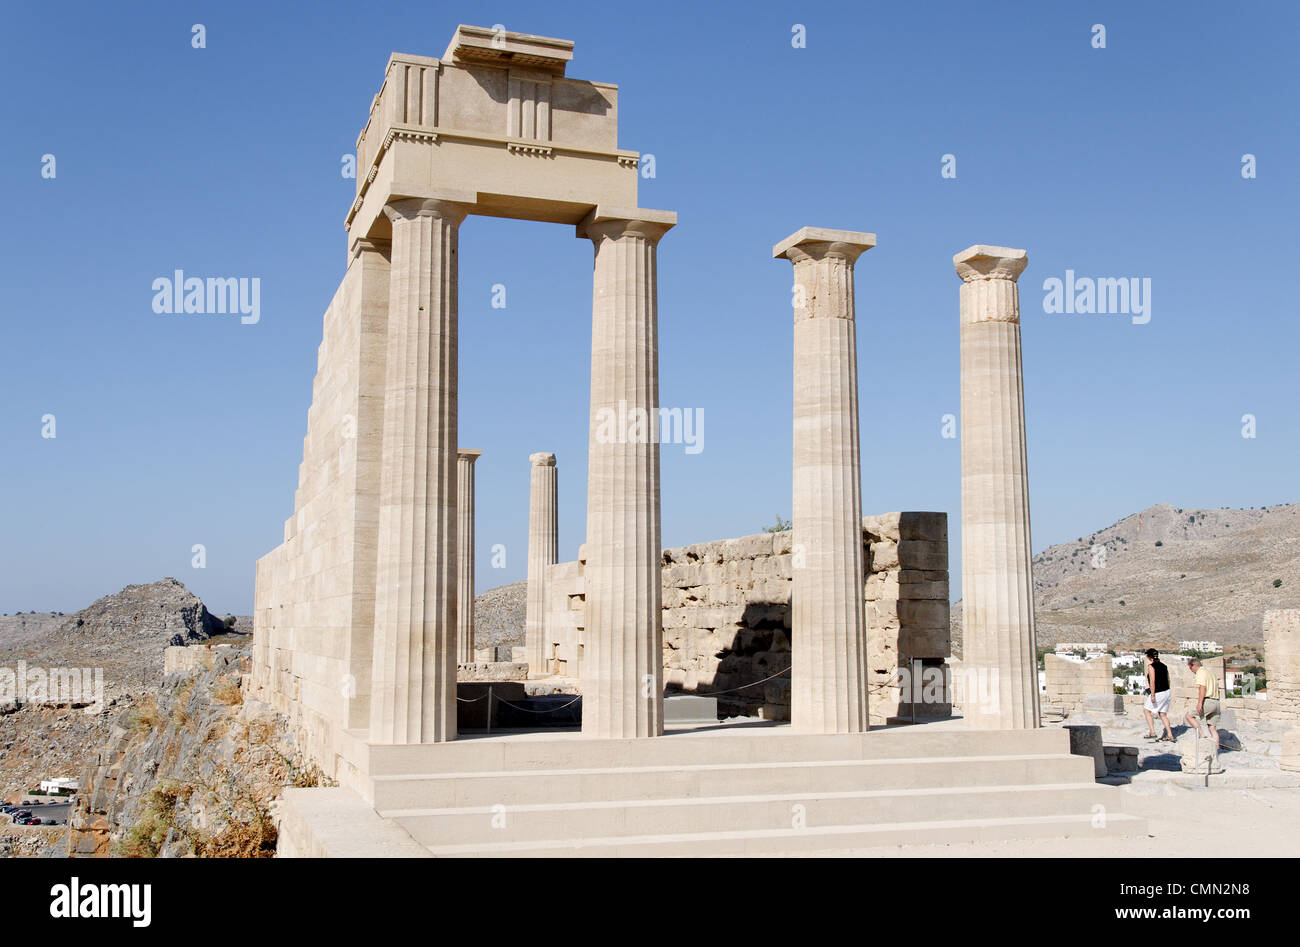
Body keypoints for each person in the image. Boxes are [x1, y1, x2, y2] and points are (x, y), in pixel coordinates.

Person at [1184, 657, 1222, 747]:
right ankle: (1215, 749)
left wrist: (1200, 703)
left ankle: (1202, 736)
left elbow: (1202, 688)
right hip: (1216, 702)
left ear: (1194, 666)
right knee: (1212, 728)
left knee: (1189, 716)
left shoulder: (1200, 672)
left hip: (1208, 701)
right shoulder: (1210, 673)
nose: (1191, 670)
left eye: (1190, 668)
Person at [1141, 648, 1174, 742]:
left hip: (1158, 692)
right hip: (1166, 691)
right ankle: (1170, 734)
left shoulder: (1151, 667)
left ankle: (1152, 732)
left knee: (1146, 710)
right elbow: (1168, 679)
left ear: (1149, 657)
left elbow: (1152, 681)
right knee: (1163, 714)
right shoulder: (1164, 666)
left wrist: (1152, 695)